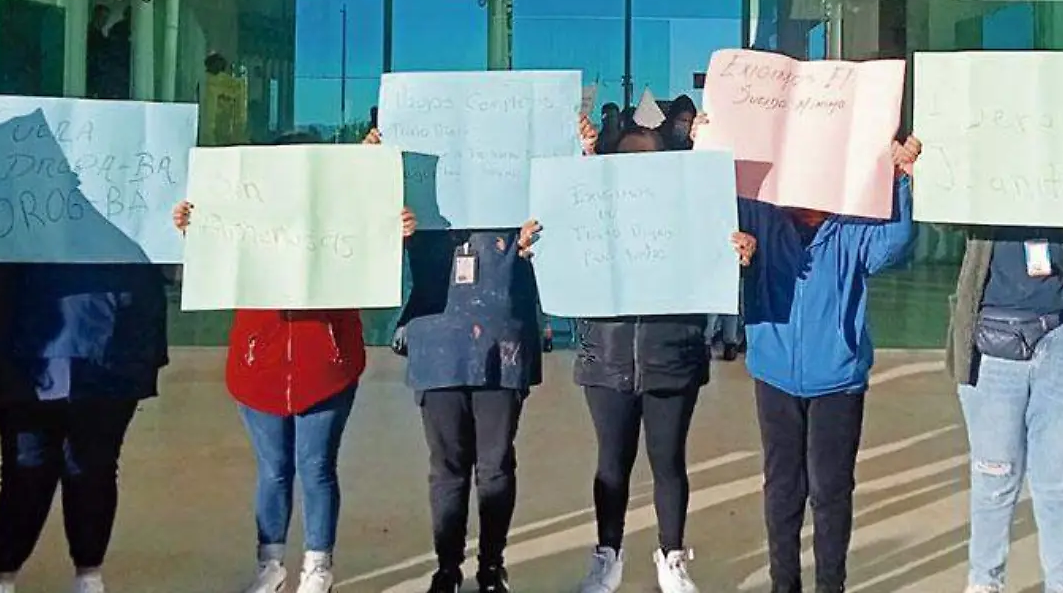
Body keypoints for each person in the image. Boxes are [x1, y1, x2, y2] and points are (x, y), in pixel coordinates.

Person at [173, 132, 420, 593]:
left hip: (327, 364)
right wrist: (196, 226)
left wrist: (395, 227)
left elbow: (370, 241)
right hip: (258, 364)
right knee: (273, 470)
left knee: (316, 467)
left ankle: (318, 565)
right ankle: (270, 565)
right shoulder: (248, 207)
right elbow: (216, 250)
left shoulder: (339, 208)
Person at [0, 151, 170, 593]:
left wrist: (181, 230)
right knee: (26, 466)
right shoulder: (12, 195)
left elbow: (176, 267)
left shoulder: (137, 195)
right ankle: (5, 574)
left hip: (109, 347)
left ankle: (87, 573)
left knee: (92, 466)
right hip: (31, 350)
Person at [390, 115, 594, 593]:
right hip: (437, 339)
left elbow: (576, 212)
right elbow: (362, 232)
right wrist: (375, 174)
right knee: (447, 466)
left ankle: (490, 567)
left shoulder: (522, 198)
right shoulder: (419, 198)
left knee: (496, 464)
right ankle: (447, 568)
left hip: (502, 340)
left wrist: (584, 155)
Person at [726, 115, 923, 593]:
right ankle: (784, 584)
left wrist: (901, 182)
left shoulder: (852, 227)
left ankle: (830, 585)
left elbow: (895, 244)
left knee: (831, 489)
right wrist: (708, 140)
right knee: (782, 486)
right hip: (774, 373)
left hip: (838, 378)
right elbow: (712, 221)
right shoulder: (759, 215)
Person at [553, 126, 752, 593]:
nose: (638, 170)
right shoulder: (595, 215)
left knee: (669, 462)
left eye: (649, 160)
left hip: (673, 355)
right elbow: (561, 220)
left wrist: (737, 250)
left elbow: (721, 234)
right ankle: (607, 556)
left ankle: (672, 557)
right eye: (627, 160)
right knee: (611, 464)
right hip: (606, 356)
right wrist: (582, 155)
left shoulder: (690, 213)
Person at [945, 223, 1063, 593]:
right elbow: (945, 214)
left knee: (1058, 486)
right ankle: (984, 582)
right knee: (994, 477)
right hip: (992, 338)